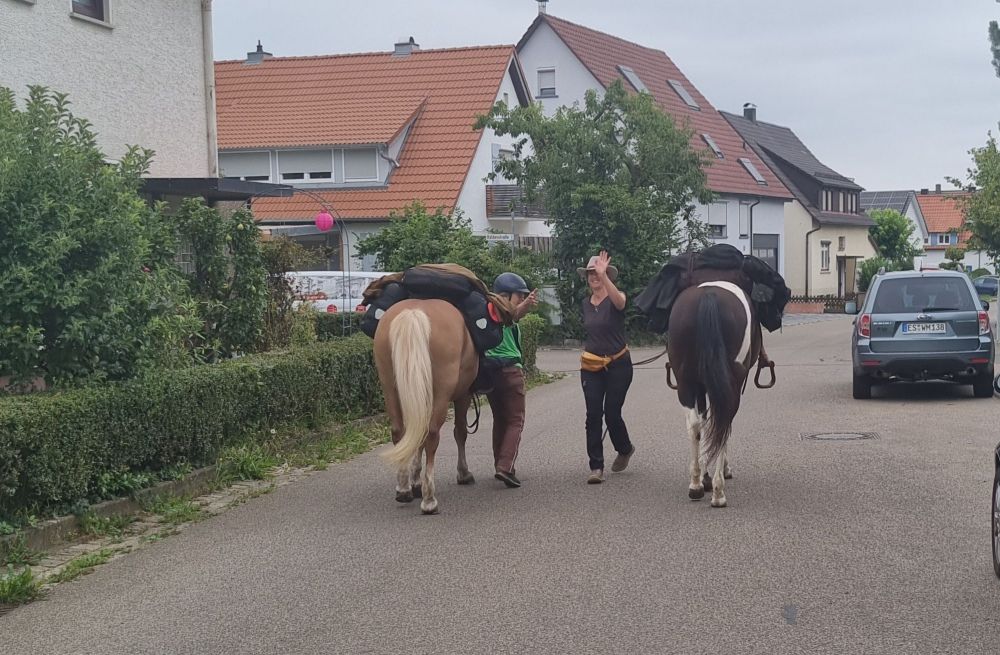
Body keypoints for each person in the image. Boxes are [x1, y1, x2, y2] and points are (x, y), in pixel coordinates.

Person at [578, 250, 634, 484]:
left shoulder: (616, 297)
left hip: (619, 364)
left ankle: (624, 448)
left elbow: (620, 302)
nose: (594, 277)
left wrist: (605, 276)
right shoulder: (585, 304)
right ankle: (596, 467)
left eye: (598, 273)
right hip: (591, 365)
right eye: (591, 273)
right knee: (593, 415)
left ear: (607, 275)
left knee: (612, 413)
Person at [485, 272, 538, 488]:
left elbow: (515, 315)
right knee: (516, 420)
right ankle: (505, 467)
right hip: (510, 372)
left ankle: (501, 464)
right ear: (506, 296)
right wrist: (524, 304)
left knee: (500, 419)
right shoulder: (504, 311)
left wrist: (524, 303)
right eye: (518, 295)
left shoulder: (487, 312)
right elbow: (514, 314)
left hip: (490, 372)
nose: (520, 299)